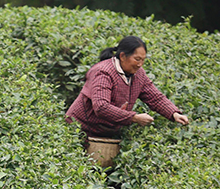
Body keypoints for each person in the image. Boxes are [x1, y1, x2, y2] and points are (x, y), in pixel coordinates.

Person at [66, 35, 189, 167]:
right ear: (123, 56)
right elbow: (101, 106)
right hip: (81, 129)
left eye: (143, 60)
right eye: (137, 59)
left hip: (106, 134)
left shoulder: (138, 74)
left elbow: (154, 96)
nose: (140, 64)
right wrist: (134, 118)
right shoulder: (103, 72)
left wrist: (174, 113)